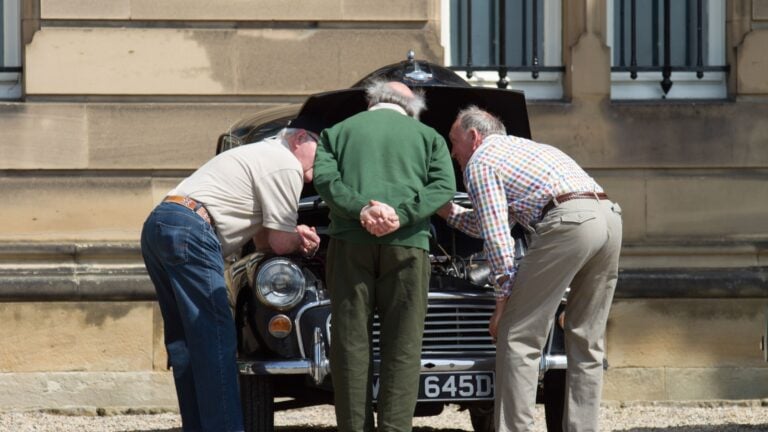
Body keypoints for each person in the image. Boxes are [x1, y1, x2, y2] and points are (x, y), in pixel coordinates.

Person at [437, 106, 623, 432]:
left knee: (517, 338)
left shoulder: (481, 161)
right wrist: (449, 212)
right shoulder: (527, 150)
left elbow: (498, 241)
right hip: (609, 216)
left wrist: (502, 305)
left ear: (473, 136)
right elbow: (492, 223)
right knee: (587, 339)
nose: (453, 153)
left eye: (454, 142)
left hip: (567, 223)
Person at [140, 116, 324, 432]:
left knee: (185, 343)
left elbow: (265, 240)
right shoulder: (285, 165)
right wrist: (303, 238)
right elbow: (280, 243)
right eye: (322, 152)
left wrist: (290, 233)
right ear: (300, 139)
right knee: (215, 341)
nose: (321, 166)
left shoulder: (263, 154)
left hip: (161, 223)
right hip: (193, 230)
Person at [313, 80, 456, 432]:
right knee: (403, 345)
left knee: (350, 343)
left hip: (350, 243)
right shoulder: (428, 136)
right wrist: (401, 215)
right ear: (411, 107)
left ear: (370, 101)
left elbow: (325, 181)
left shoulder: (337, 132)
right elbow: (443, 187)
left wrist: (362, 210)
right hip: (408, 244)